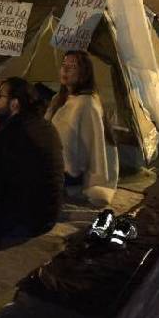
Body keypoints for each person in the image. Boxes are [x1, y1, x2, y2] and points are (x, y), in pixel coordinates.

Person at [0, 77, 65, 244]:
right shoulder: (47, 127)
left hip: (24, 222)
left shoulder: (9, 136)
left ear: (14, 104)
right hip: (50, 214)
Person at [45, 51, 119, 205]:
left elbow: (91, 151)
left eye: (72, 66)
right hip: (54, 164)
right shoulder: (59, 99)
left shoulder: (87, 104)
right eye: (64, 65)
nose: (65, 70)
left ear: (84, 73)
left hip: (71, 173)